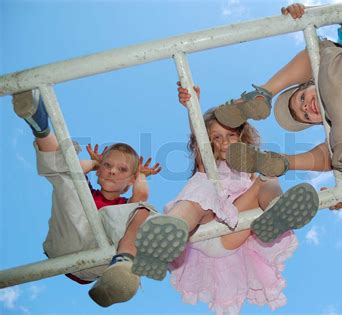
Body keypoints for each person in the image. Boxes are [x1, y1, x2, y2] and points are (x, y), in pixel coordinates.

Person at [130, 83, 319, 314]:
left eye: (230, 135)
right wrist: (192, 105)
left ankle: (276, 211)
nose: (224, 142)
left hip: (231, 234)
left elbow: (259, 177)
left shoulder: (248, 170)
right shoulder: (207, 164)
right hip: (199, 227)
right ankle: (167, 235)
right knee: (199, 196)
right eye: (216, 137)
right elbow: (198, 134)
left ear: (241, 135)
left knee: (267, 177)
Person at [216, 3, 342, 186]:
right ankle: (279, 161)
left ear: (308, 84)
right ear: (319, 123)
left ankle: (263, 95)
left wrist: (307, 12)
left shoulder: (341, 61)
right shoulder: (334, 124)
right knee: (336, 152)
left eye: (302, 98)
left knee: (317, 53)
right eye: (306, 116)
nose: (307, 107)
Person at [11, 89, 161, 307]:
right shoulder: (87, 192)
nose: (112, 171)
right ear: (99, 172)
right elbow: (73, 170)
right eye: (107, 165)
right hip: (67, 240)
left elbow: (142, 195)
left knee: (142, 211)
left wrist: (141, 175)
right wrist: (94, 164)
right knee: (69, 176)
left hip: (103, 259)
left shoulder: (123, 207)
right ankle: (39, 124)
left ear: (130, 179)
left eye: (122, 169)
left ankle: (122, 269)